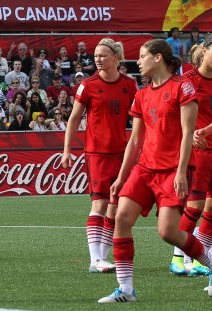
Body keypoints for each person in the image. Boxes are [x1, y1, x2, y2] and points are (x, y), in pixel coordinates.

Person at [97, 39, 207, 303]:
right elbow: (135, 140)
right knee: (121, 217)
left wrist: (181, 172)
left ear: (158, 58)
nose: (138, 61)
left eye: (143, 56)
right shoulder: (141, 94)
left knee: (168, 233)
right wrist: (122, 177)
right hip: (145, 168)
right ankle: (125, 290)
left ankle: (209, 262)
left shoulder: (183, 87)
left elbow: (187, 133)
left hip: (172, 170)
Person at [62, 38, 138, 275]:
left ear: (116, 58)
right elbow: (74, 119)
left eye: (103, 55)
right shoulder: (87, 85)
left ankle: (102, 258)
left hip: (121, 153)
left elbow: (138, 118)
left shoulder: (129, 84)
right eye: (96, 55)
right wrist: (66, 150)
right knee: (100, 203)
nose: (97, 59)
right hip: (97, 153)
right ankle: (95, 259)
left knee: (115, 207)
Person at [169, 41, 212, 277]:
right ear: (205, 50)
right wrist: (191, 135)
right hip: (200, 152)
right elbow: (174, 114)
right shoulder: (189, 80)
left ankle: (199, 259)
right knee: (194, 207)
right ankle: (178, 257)